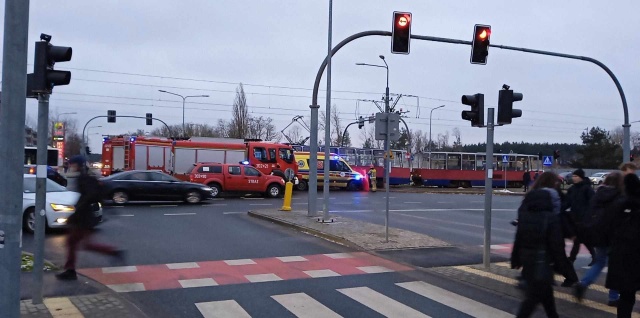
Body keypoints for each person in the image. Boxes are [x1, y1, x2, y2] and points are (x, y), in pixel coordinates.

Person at [56, 155, 124, 280]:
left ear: (78, 165)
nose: (71, 166)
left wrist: (75, 213)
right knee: (84, 244)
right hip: (86, 217)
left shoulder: (83, 178)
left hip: (83, 218)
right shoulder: (85, 177)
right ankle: (113, 252)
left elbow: (88, 197)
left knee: (72, 242)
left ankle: (70, 270)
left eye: (72, 164)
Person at [512, 172, 567, 318]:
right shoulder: (550, 217)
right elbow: (557, 245)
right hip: (542, 260)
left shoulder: (526, 214)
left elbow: (519, 237)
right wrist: (564, 268)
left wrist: (515, 258)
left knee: (545, 293)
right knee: (533, 297)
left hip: (527, 257)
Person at [574, 172, 623, 306]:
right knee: (616, 266)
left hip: (598, 234)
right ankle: (614, 297)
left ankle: (583, 283)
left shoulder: (598, 194)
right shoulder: (620, 195)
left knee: (599, 262)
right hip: (614, 236)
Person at [606, 173, 640, 318]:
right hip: (637, 254)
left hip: (621, 255)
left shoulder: (618, 204)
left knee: (626, 296)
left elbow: (606, 227)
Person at [563, 168, 596, 267]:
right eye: (573, 176)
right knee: (583, 239)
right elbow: (567, 202)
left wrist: (589, 215)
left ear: (581, 177)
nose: (574, 178)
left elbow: (593, 203)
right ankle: (594, 256)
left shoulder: (587, 189)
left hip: (584, 219)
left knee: (577, 239)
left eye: (576, 176)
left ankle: (571, 259)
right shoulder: (572, 189)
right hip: (574, 218)